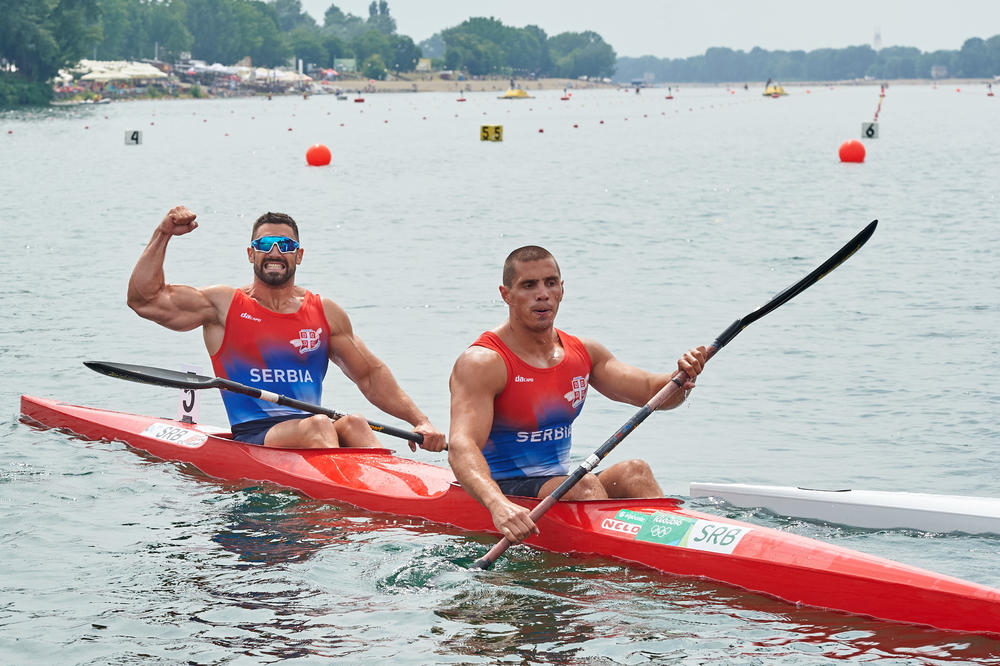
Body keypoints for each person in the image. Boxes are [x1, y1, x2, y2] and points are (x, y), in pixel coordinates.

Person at [127, 205, 446, 452]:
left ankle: (389, 497)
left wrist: (420, 421)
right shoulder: (222, 306)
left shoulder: (325, 312)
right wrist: (163, 233)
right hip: (255, 434)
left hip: (313, 430)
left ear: (299, 255)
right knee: (321, 425)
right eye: (265, 243)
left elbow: (369, 375)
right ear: (251, 253)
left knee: (357, 424)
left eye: (285, 244)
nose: (275, 251)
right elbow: (144, 300)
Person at [447, 246, 707, 544]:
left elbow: (653, 392)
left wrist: (682, 376)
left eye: (550, 282)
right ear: (506, 294)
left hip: (559, 486)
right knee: (582, 486)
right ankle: (609, 574)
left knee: (636, 471)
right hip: (504, 487)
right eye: (528, 286)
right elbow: (461, 446)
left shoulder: (583, 352)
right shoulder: (484, 362)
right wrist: (497, 505)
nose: (542, 294)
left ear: (562, 290)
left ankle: (677, 550)